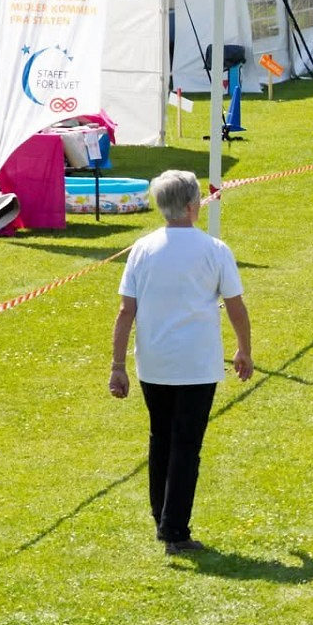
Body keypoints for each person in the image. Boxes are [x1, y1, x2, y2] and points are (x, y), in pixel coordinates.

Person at [108, 170, 253, 555]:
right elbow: (236, 307)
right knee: (186, 445)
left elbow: (126, 311)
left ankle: (164, 519)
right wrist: (244, 348)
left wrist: (117, 365)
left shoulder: (142, 248)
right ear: (193, 206)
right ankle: (174, 530)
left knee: (161, 439)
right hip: (196, 363)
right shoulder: (215, 250)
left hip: (154, 362)